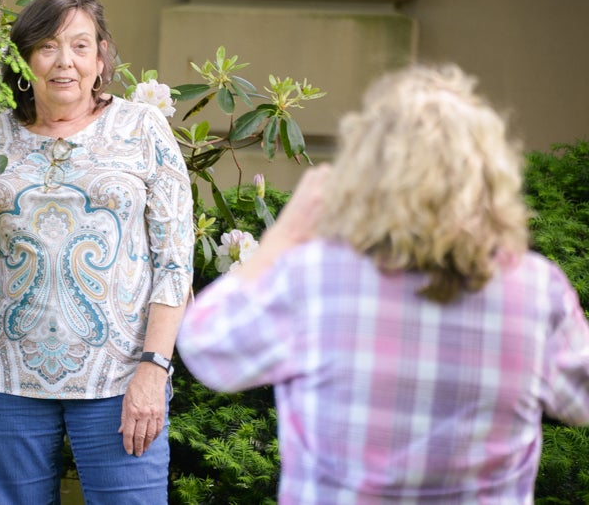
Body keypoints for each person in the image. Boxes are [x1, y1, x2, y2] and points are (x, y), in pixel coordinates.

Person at [176, 63, 589, 503]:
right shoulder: (534, 288)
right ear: (489, 174)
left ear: (366, 169)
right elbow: (580, 401)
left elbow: (206, 346)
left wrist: (284, 235)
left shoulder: (317, 278)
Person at [0, 0, 194, 504]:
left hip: (119, 377)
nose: (64, 62)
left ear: (101, 59)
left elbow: (174, 264)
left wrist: (153, 368)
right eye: (47, 46)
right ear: (25, 59)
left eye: (80, 46)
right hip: (4, 375)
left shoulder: (143, 128)